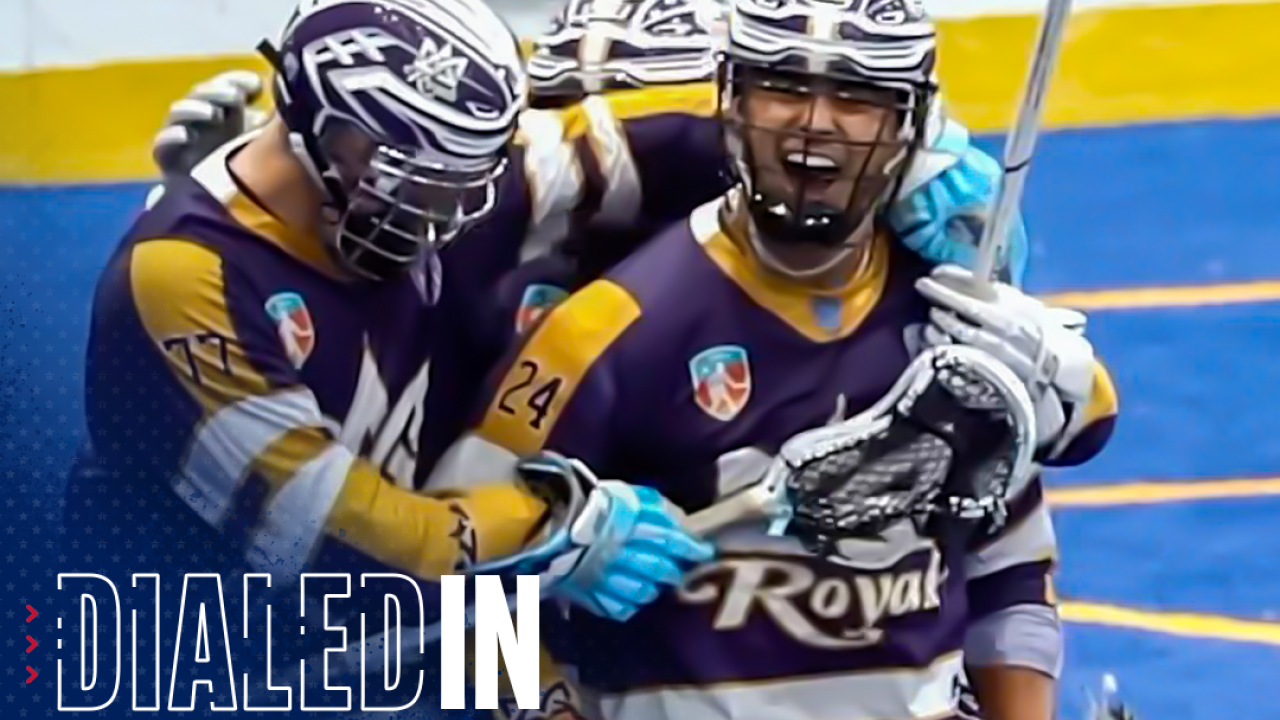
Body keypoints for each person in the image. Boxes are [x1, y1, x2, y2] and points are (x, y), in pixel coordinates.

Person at [428, 1, 1119, 719]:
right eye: (787, 88)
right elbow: (458, 579)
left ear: (912, 125)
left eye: (857, 96)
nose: (818, 122)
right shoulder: (596, 332)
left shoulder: (954, 318)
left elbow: (1010, 566)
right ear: (728, 102)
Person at [69, 0, 712, 629]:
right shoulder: (181, 280)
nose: (462, 205)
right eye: (437, 174)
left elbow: (638, 138)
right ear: (339, 142)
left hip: (407, 637)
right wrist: (559, 526)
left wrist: (776, 100)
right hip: (214, 669)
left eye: (473, 170)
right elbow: (343, 554)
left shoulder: (413, 178)